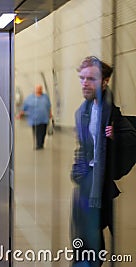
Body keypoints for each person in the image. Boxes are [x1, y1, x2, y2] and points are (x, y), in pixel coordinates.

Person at [70, 56, 136, 266]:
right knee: (82, 232)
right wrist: (78, 171)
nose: (85, 83)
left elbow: (132, 139)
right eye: (82, 78)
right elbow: (83, 147)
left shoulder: (111, 113)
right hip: (86, 181)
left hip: (100, 184)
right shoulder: (82, 112)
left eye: (91, 79)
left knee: (93, 230)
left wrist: (115, 136)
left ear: (105, 81)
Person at [19, 84, 52, 150]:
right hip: (34, 118)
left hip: (44, 118)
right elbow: (25, 107)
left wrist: (50, 113)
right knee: (36, 132)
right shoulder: (30, 98)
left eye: (40, 88)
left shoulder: (45, 97)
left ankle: (41, 143)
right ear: (35, 90)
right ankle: (38, 144)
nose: (39, 90)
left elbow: (49, 106)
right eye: (38, 88)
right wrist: (20, 114)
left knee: (43, 132)